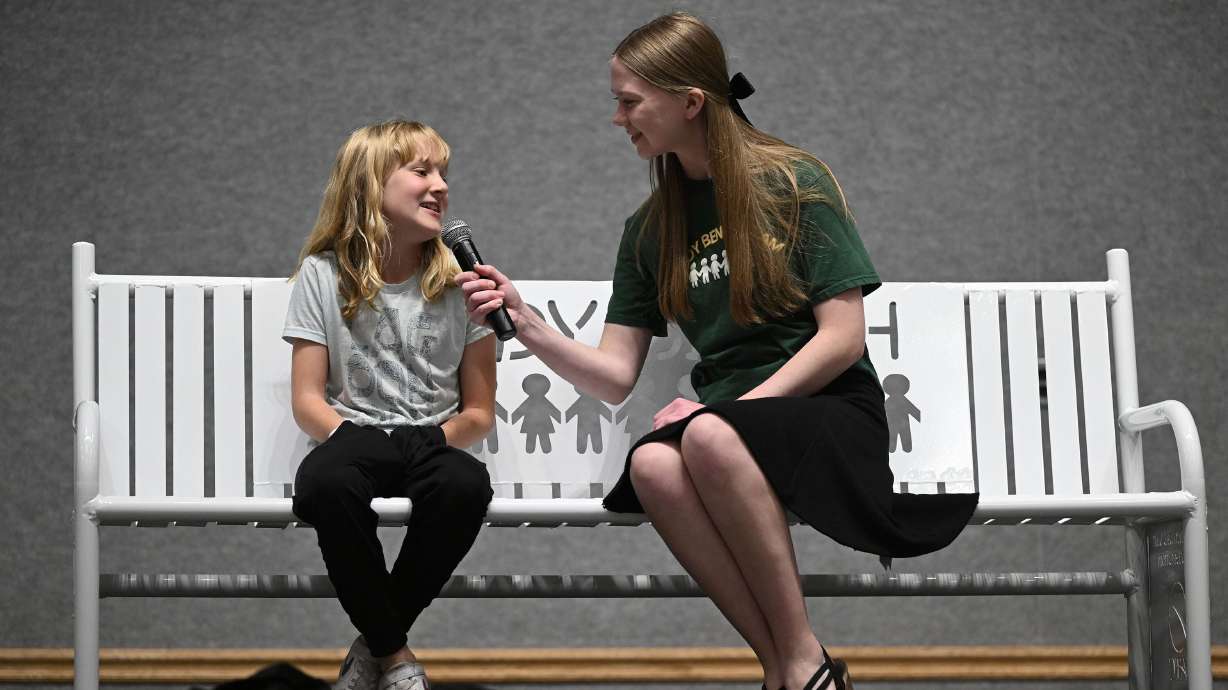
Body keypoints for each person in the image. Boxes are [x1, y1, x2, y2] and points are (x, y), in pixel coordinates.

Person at [457, 13, 978, 690]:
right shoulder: (649, 229)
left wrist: (725, 416)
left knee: (701, 439)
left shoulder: (793, 182)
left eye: (629, 101)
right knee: (652, 467)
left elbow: (843, 338)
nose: (618, 119)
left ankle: (798, 661)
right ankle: (792, 667)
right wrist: (527, 323)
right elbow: (615, 375)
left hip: (828, 412)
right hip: (731, 430)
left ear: (690, 103)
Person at [286, 120, 496, 690]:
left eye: (444, 174)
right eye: (421, 171)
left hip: (431, 441)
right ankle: (396, 656)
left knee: (465, 487)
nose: (440, 186)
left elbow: (479, 413)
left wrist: (434, 439)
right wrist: (346, 434)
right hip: (353, 438)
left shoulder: (462, 283)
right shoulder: (322, 274)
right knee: (327, 486)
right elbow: (307, 398)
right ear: (368, 185)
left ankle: (373, 650)